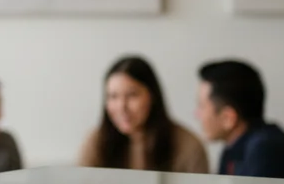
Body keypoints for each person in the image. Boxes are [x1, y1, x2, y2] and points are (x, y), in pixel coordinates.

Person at [196, 59, 284, 180]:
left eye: (201, 107)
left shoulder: (265, 150)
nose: (197, 115)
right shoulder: (233, 149)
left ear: (228, 118)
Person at [78, 56, 209, 173]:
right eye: (113, 96)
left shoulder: (187, 147)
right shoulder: (96, 142)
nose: (122, 107)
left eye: (132, 95)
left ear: (152, 97)